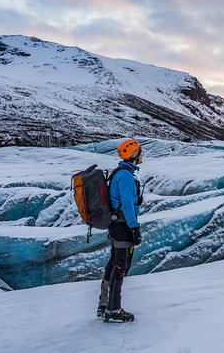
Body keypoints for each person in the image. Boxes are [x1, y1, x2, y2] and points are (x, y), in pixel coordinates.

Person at [98, 138, 144, 323]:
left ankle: (104, 305)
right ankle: (113, 310)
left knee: (114, 263)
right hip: (123, 226)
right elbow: (127, 204)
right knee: (120, 266)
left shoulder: (123, 172)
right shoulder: (125, 176)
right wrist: (134, 228)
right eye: (140, 152)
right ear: (133, 155)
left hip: (118, 225)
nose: (142, 155)